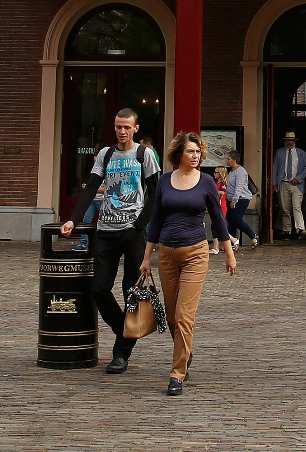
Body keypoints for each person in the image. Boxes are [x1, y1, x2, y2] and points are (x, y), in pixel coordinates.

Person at [59, 108, 160, 374]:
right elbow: (92, 186)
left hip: (132, 231)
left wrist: (142, 223)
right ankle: (124, 330)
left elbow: (155, 191)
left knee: (130, 290)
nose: (122, 131)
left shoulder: (144, 154)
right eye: (118, 127)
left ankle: (121, 354)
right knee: (99, 288)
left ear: (135, 128)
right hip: (105, 229)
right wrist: (74, 220)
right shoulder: (106, 154)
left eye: (127, 127)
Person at [144, 131, 236, 396]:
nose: (195, 156)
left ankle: (177, 373)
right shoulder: (164, 181)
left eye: (198, 152)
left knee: (185, 316)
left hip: (196, 253)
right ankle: (186, 353)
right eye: (191, 152)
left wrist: (229, 253)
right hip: (167, 255)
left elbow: (218, 220)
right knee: (173, 317)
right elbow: (157, 220)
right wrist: (147, 256)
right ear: (179, 154)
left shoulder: (206, 182)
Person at [272, 131, 306, 239]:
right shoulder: (279, 152)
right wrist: (274, 184)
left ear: (294, 141)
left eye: (291, 140)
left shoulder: (301, 153)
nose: (289, 142)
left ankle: (300, 229)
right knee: (285, 208)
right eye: (287, 140)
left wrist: (298, 178)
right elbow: (275, 168)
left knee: (296, 206)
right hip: (283, 182)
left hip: (297, 184)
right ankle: (287, 230)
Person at [222, 150, 257, 247]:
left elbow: (239, 186)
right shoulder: (232, 171)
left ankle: (253, 235)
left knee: (237, 219)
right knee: (230, 220)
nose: (227, 161)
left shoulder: (240, 171)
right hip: (230, 198)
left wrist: (234, 200)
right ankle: (233, 242)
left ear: (235, 159)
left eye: (228, 159)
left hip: (241, 199)